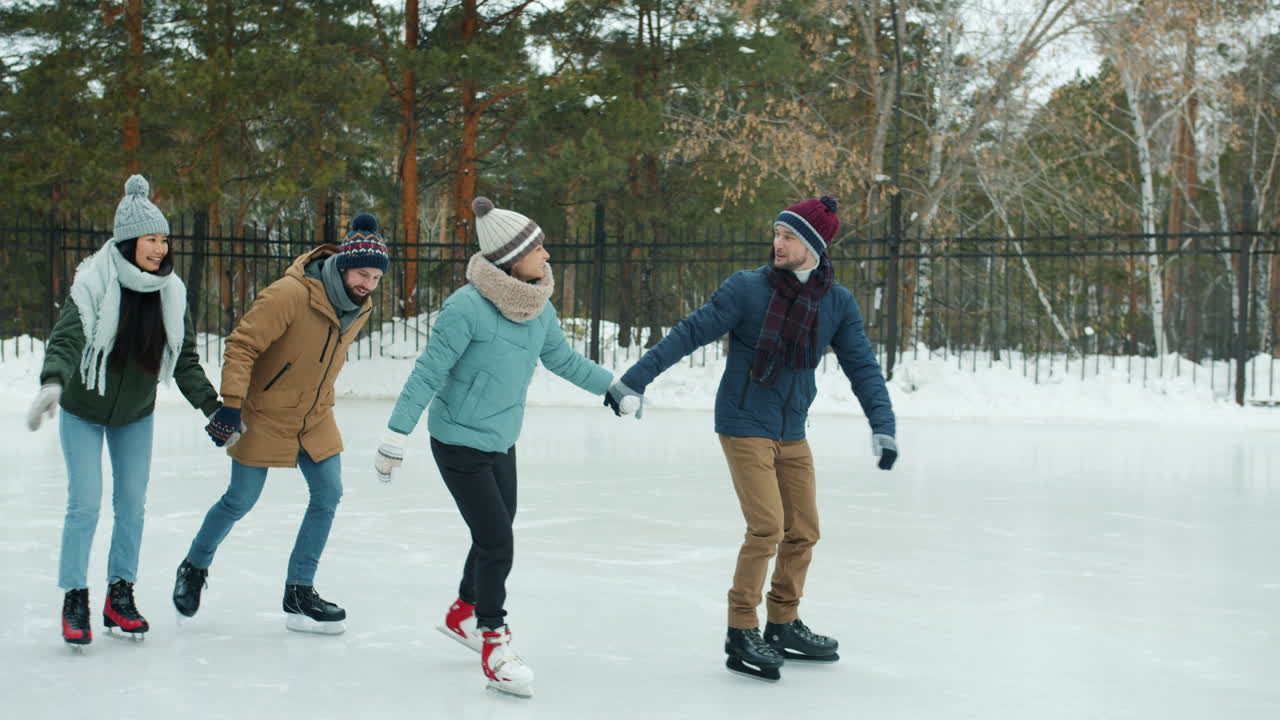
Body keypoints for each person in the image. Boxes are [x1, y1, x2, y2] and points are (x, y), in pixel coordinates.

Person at [605, 196, 897, 681]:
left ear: (815, 248)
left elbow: (862, 365)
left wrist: (882, 425)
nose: (777, 244)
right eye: (777, 234)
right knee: (767, 527)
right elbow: (689, 332)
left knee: (803, 530)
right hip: (743, 423)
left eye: (789, 237)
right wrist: (634, 379)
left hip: (792, 428)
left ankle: (783, 622)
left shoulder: (836, 302)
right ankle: (741, 630)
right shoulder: (747, 289)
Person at [374, 197, 620, 698]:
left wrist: (611, 387)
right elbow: (429, 372)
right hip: (458, 440)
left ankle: (463, 612)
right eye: (539, 249)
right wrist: (395, 436)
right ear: (513, 257)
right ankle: (493, 641)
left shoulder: (537, 308)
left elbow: (564, 361)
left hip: (501, 438)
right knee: (496, 541)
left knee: (495, 530)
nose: (548, 257)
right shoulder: (466, 307)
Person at [28, 175, 221, 648]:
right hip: (82, 409)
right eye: (151, 239)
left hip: (135, 413)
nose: (160, 248)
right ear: (129, 240)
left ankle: (120, 595)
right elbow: (69, 337)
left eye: (164, 239)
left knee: (131, 506)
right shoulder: (95, 279)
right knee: (85, 504)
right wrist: (53, 380)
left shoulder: (171, 293)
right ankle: (75, 597)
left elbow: (185, 360)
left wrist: (213, 408)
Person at [171, 213, 388, 635]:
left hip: (315, 415)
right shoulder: (290, 294)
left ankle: (299, 590)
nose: (369, 285)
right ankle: (194, 566)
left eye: (377, 278)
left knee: (329, 493)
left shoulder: (359, 305)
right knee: (240, 499)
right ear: (343, 266)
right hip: (266, 412)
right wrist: (231, 406)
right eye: (363, 274)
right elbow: (242, 345)